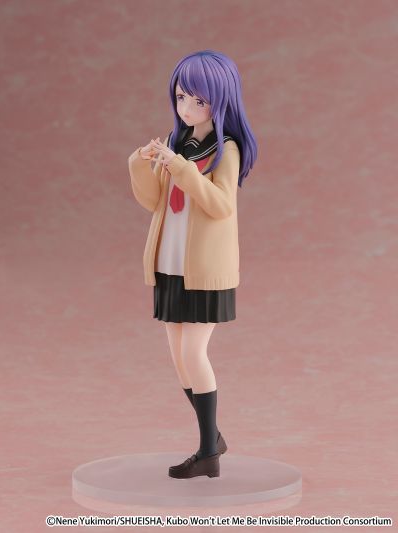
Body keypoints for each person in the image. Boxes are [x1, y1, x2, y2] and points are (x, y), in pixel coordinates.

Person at [128, 49, 257, 479]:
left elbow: (221, 205)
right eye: (181, 97)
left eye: (199, 100)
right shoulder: (176, 140)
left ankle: (207, 452)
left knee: (193, 353)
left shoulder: (226, 149)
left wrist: (182, 169)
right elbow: (155, 201)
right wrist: (141, 164)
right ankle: (212, 440)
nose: (187, 108)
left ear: (220, 101)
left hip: (204, 268)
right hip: (170, 262)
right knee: (179, 359)